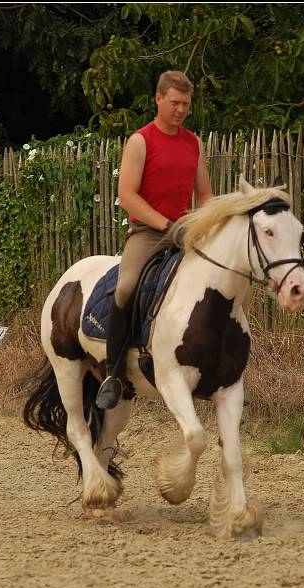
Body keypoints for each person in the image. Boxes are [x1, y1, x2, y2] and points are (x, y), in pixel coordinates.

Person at [96, 70, 213, 409]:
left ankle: (218, 372)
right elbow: (127, 196)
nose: (180, 110)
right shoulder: (140, 140)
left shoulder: (194, 143)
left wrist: (211, 223)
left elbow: (204, 196)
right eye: (174, 102)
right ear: (158, 99)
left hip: (186, 232)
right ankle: (113, 373)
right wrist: (166, 224)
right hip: (149, 232)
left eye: (186, 104)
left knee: (219, 282)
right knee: (126, 286)